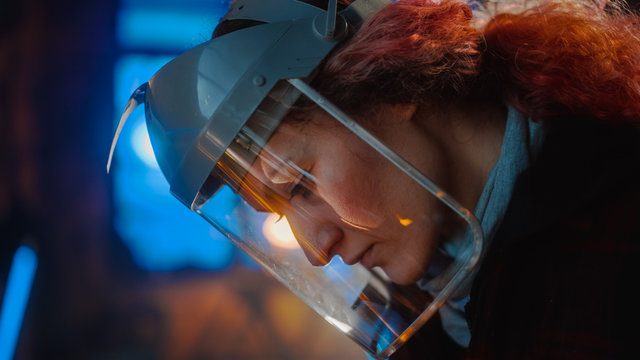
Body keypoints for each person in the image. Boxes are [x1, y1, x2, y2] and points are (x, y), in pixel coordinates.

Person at [110, 0, 640, 358]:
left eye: (299, 184)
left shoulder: (615, 237)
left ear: (393, 83)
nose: (315, 250)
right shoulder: (444, 322)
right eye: (281, 210)